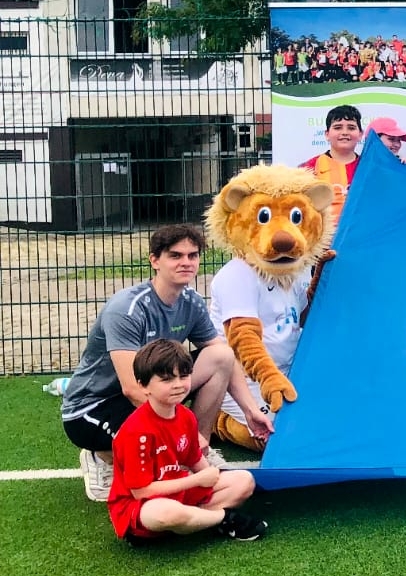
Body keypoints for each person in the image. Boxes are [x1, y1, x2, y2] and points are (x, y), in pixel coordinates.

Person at [60, 224, 272, 502]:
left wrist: (250, 411)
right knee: (146, 471)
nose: (186, 262)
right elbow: (132, 389)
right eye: (175, 255)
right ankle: (101, 456)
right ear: (155, 261)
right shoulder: (127, 309)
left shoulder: (191, 302)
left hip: (153, 391)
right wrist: (183, 433)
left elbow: (224, 358)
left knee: (220, 355)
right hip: (94, 408)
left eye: (192, 255)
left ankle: (199, 453)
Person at [107, 339, 269, 543]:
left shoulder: (186, 416)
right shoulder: (135, 431)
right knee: (165, 513)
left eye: (183, 376)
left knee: (244, 481)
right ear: (143, 386)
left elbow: (195, 460)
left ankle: (191, 521)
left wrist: (210, 475)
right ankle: (223, 518)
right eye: (167, 380)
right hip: (142, 507)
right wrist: (197, 480)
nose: (178, 385)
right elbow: (141, 491)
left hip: (179, 494)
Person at [301, 104, 363, 229]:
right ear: (327, 134)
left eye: (351, 128)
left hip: (361, 236)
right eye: (338, 127)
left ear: (360, 134)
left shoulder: (369, 167)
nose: (344, 132)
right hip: (325, 238)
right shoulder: (309, 168)